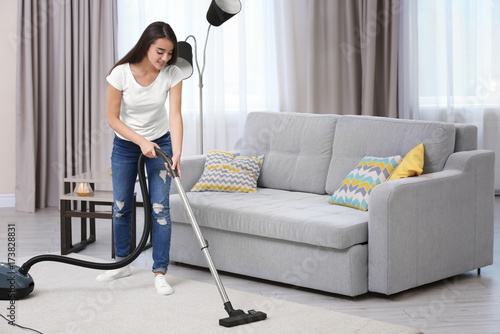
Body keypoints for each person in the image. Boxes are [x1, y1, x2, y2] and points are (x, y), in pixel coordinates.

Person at [96, 21, 184, 295]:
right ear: (147, 45)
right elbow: (112, 118)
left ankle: (160, 273)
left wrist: (177, 152)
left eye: (169, 53)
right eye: (160, 51)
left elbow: (175, 115)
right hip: (126, 144)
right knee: (121, 205)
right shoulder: (120, 74)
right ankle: (122, 263)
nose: (165, 58)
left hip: (161, 144)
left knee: (160, 209)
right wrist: (141, 141)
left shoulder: (173, 74)